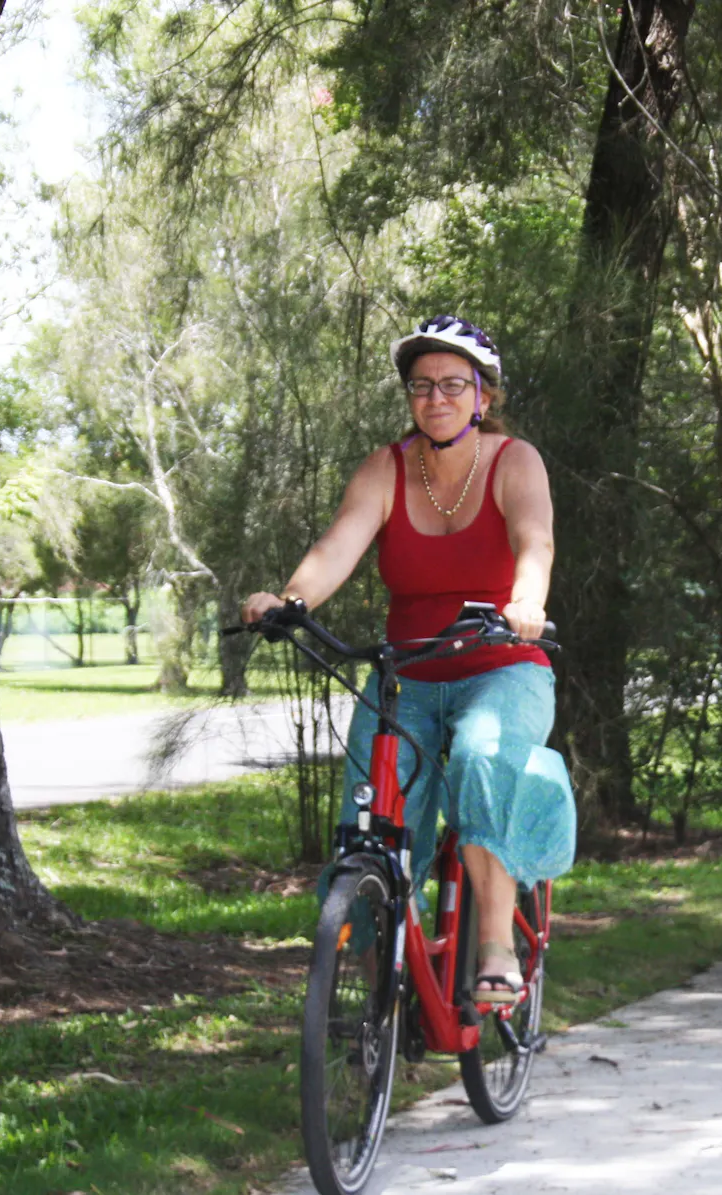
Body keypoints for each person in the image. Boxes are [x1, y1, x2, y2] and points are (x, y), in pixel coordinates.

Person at [242, 315, 575, 1001]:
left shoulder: (516, 461)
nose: (437, 398)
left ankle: (493, 941)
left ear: (484, 395)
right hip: (408, 677)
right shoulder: (386, 468)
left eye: (455, 384)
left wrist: (527, 600)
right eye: (421, 386)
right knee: (369, 819)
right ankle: (376, 1001)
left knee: (485, 757)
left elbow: (534, 540)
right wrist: (290, 599)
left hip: (503, 664)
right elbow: (339, 544)